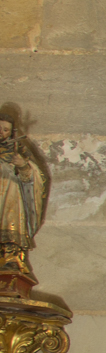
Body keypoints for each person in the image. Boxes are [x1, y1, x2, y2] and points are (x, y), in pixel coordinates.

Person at [0, 115, 46, 284]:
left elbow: (36, 176)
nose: (1, 133)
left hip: (10, 194)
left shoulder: (18, 148)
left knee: (10, 224)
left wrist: (23, 165)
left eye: (5, 130)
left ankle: (11, 258)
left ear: (11, 132)